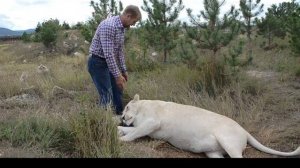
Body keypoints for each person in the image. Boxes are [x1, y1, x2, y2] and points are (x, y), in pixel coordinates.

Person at [88, 5, 142, 115]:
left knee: (118, 90)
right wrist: (117, 76)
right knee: (107, 95)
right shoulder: (109, 26)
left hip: (108, 63)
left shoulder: (121, 28)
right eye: (134, 21)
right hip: (98, 63)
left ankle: (119, 117)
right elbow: (109, 54)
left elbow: (119, 51)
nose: (133, 25)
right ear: (128, 16)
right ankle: (102, 123)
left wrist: (123, 70)